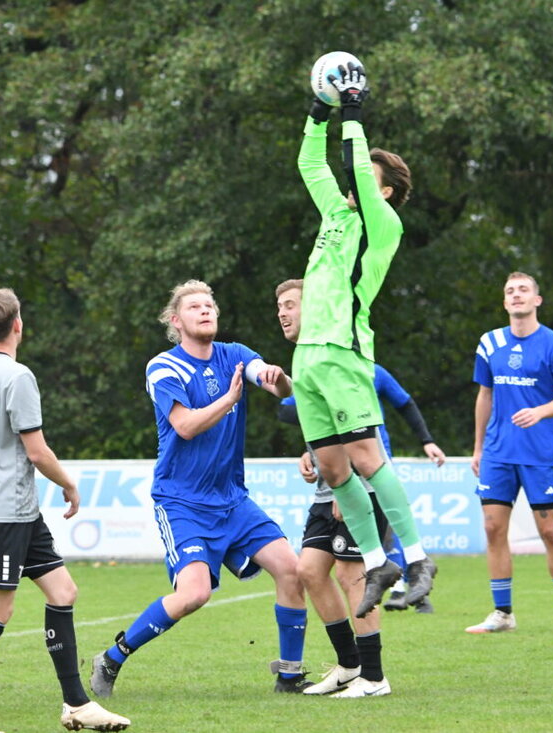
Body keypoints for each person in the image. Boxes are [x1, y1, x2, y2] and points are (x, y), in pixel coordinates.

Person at [89, 279, 310, 698]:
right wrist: (228, 400)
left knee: (292, 569)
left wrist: (279, 378)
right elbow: (185, 426)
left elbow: (276, 386)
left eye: (209, 305)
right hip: (182, 502)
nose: (205, 311)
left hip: (232, 500)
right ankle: (113, 657)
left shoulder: (235, 355)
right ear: (176, 321)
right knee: (194, 595)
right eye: (194, 307)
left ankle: (290, 676)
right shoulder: (163, 367)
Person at [0, 288, 129, 733]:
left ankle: (76, 704)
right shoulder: (18, 376)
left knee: (63, 591)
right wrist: (69, 484)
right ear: (18, 325)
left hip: (16, 511)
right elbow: (37, 452)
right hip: (7, 512)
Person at [291, 62, 434, 618]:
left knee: (368, 458)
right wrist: (319, 113)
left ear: (387, 191)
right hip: (308, 358)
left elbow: (350, 159)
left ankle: (417, 558)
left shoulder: (383, 223)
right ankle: (378, 562)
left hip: (343, 352)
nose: (353, 176)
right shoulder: (336, 211)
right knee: (333, 469)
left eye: (367, 173)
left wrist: (351, 112)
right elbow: (311, 163)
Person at [275, 279, 444, 698]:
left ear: (316, 308)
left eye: (291, 304)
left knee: (354, 575)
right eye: (279, 306)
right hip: (328, 487)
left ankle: (374, 677)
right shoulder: (308, 360)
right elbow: (298, 415)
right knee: (308, 571)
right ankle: (349, 666)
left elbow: (359, 429)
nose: (282, 313)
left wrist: (345, 486)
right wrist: (309, 450)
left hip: (358, 488)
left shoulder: (342, 359)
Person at [467, 271, 553, 635]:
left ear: (537, 300)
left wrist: (539, 412)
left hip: (539, 454)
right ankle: (502, 613)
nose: (516, 295)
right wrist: (478, 448)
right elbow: (485, 395)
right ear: (505, 302)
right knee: (493, 528)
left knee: (550, 531)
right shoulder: (490, 343)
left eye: (523, 290)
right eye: (510, 291)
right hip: (497, 452)